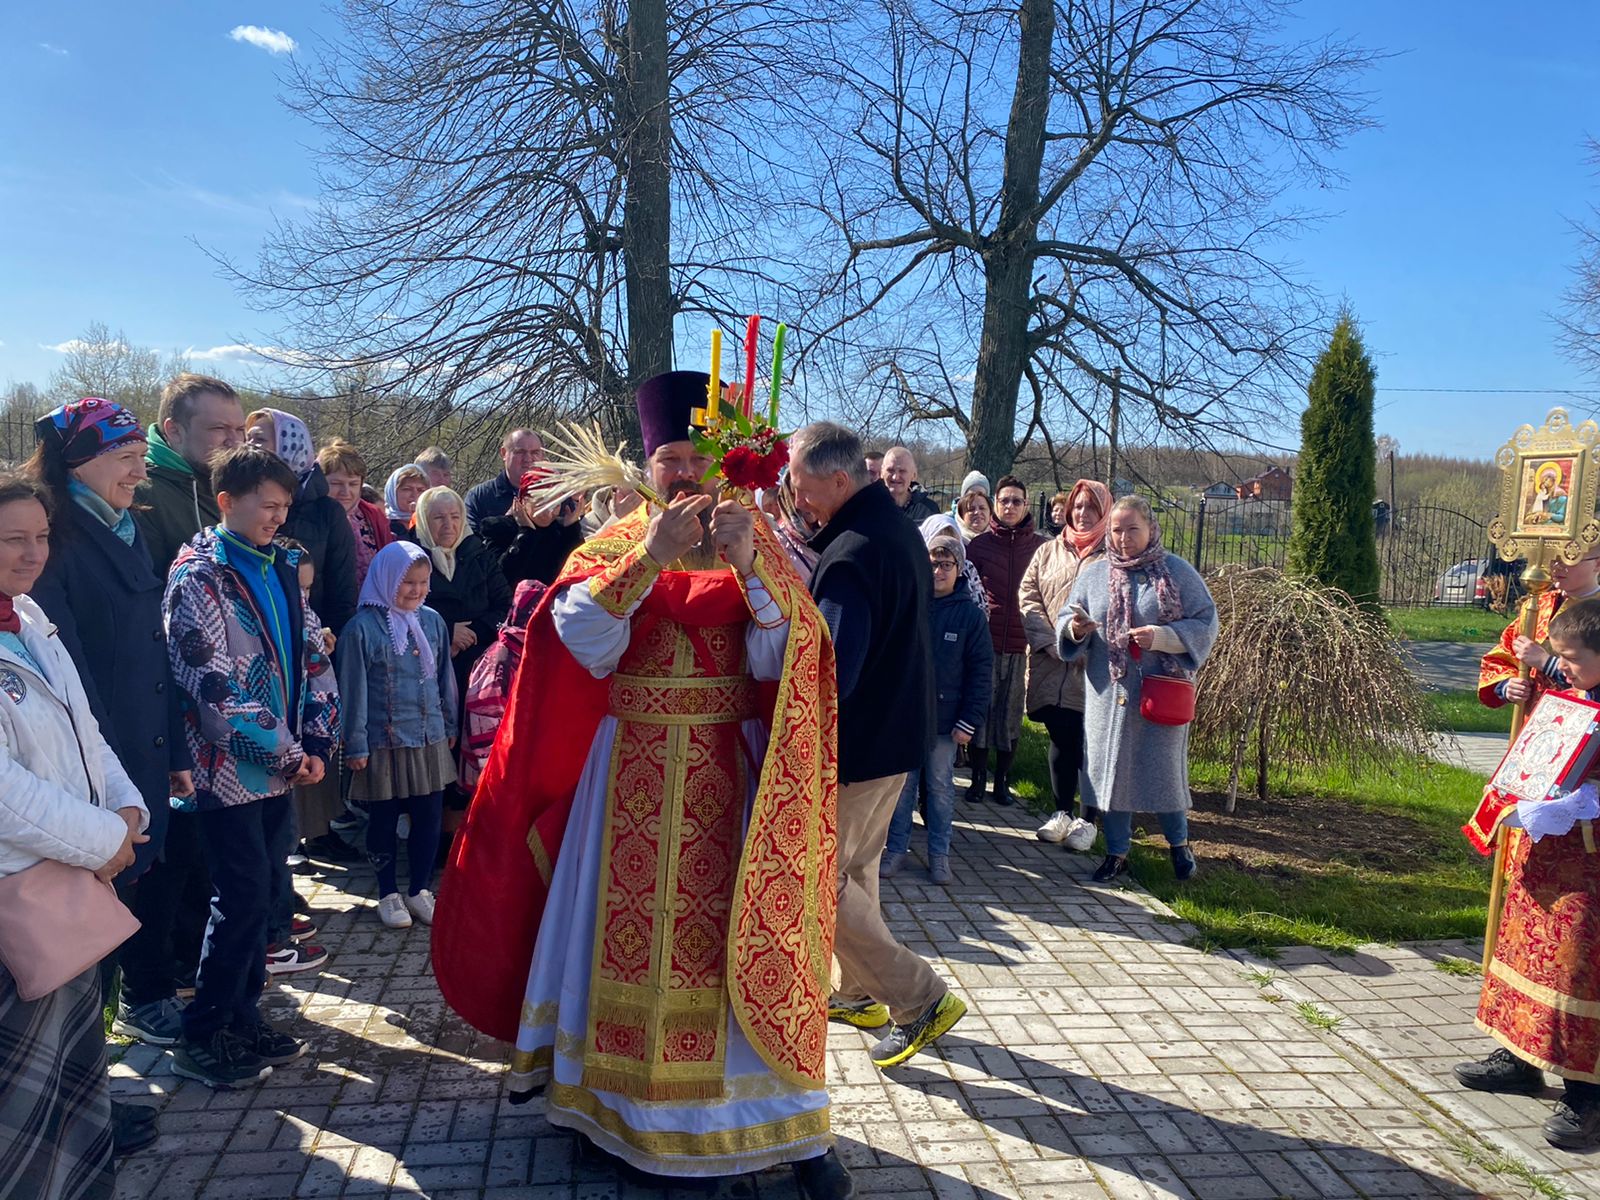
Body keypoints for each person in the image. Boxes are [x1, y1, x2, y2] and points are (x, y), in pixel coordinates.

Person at [434, 372, 848, 1196]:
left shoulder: (755, 539)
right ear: (647, 465)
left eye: (698, 459)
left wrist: (746, 567)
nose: (685, 474)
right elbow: (577, 638)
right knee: (615, 943)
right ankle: (617, 1110)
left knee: (736, 948)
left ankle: (772, 1121)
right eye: (670, 460)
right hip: (626, 774)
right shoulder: (618, 540)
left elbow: (792, 657)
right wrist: (650, 559)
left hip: (730, 777)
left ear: (724, 465)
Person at [789, 420, 967, 1070]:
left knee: (818, 881)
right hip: (898, 735)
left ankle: (919, 998)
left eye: (802, 487)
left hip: (859, 748)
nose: (796, 499)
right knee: (858, 869)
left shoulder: (851, 556)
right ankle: (858, 992)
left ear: (840, 480)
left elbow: (831, 673)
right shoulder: (893, 528)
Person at [163, 446, 340, 1088]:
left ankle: (243, 1015)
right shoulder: (198, 578)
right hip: (228, 772)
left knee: (262, 894)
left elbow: (314, 652)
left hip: (284, 766)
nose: (277, 516)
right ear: (225, 502)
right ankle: (205, 1030)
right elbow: (209, 687)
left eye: (284, 506)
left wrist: (317, 739)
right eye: (266, 505)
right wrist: (288, 752)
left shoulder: (282, 564)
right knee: (238, 897)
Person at [24, 399, 196, 1059]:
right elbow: (68, 675)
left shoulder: (124, 526)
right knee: (91, 915)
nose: (139, 474)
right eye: (126, 459)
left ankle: (126, 1024)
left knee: (141, 887)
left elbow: (154, 650)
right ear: (79, 463)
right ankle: (85, 1073)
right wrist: (109, 776)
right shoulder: (57, 543)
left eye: (141, 460)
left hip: (143, 749)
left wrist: (174, 748)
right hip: (96, 762)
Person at [0, 473, 152, 1196]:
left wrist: (127, 808)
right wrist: (102, 841)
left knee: (74, 1078)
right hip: (17, 900)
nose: (33, 554)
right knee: (21, 1106)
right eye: (12, 540)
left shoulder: (30, 619)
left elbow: (84, 728)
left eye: (40, 537)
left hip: (65, 884)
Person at [1455, 597, 1600, 1149]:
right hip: (1546, 849)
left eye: (1572, 661)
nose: (1561, 669)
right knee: (1524, 947)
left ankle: (1587, 1093)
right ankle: (1520, 1056)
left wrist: (1584, 800)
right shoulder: (1570, 677)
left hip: (1591, 864)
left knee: (1578, 968)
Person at [1061, 495, 1218, 883]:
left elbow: (1206, 622)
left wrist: (1163, 637)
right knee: (1112, 776)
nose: (1124, 538)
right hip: (1107, 695)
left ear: (1151, 529)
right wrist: (1075, 629)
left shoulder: (1176, 572)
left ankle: (1179, 846)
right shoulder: (1095, 574)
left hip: (1158, 694)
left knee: (1163, 774)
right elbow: (1069, 615)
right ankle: (1117, 854)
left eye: (1133, 529)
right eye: (1117, 530)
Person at [337, 541, 459, 929]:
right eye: (408, 583)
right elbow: (353, 689)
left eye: (423, 582)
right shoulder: (361, 629)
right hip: (383, 742)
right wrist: (356, 743)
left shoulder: (432, 622)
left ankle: (420, 889)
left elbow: (444, 677)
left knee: (429, 816)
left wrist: (449, 724)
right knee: (383, 819)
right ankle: (388, 892)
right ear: (387, 580)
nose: (417, 590)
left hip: (428, 736)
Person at [881, 529, 992, 886]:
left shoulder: (970, 616)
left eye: (946, 564)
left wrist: (969, 720)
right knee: (902, 789)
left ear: (959, 569)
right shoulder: (911, 606)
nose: (938, 571)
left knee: (941, 789)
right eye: (932, 564)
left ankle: (939, 854)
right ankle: (896, 849)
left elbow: (981, 672)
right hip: (908, 717)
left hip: (946, 722)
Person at [413, 486, 512, 842]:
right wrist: (446, 630)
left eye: (454, 516)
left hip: (477, 667)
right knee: (440, 745)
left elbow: (504, 605)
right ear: (424, 521)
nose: (448, 525)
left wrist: (473, 632)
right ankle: (434, 833)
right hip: (431, 667)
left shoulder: (478, 554)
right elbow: (404, 607)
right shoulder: (412, 556)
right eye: (438, 517)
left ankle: (467, 831)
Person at [1023, 479, 1111, 852]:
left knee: (1091, 745)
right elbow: (1029, 597)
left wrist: (1085, 647)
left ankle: (1088, 821)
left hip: (1093, 670)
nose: (1082, 513)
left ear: (1104, 511)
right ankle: (1061, 811)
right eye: (1078, 506)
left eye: (1091, 507)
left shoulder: (1113, 556)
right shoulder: (1048, 551)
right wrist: (1052, 641)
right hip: (1051, 663)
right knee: (1061, 737)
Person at [965, 475, 1048, 806]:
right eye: (1004, 501)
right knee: (981, 713)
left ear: (1026, 505)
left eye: (1016, 501)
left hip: (1020, 645)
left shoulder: (1041, 547)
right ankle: (977, 778)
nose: (1010, 507)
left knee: (1010, 717)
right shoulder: (979, 546)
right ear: (995, 505)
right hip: (985, 644)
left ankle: (1002, 781)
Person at [244, 408, 358, 635]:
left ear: (289, 445)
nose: (249, 446)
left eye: (259, 439)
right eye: (247, 438)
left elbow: (342, 593)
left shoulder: (327, 513)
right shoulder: (241, 502)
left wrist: (326, 642)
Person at [136, 374, 248, 578]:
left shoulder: (238, 485)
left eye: (240, 429)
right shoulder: (141, 496)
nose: (235, 441)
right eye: (219, 428)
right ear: (174, 431)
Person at [1479, 548, 1600, 710]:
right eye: (1553, 559)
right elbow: (1505, 652)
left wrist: (1546, 663)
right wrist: (1507, 685)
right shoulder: (1538, 604)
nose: (1556, 566)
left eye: (1569, 559)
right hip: (1534, 714)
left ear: (1597, 564)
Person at [460, 579, 545, 795]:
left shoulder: (526, 652)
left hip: (516, 765)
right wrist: (495, 774)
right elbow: (483, 715)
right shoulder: (501, 661)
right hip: (493, 776)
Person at [478, 470, 584, 587]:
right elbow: (500, 578)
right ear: (523, 501)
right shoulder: (499, 528)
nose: (549, 513)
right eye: (541, 505)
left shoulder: (560, 530)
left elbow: (576, 572)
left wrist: (571, 530)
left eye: (555, 505)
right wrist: (526, 533)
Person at [318, 439, 394, 592]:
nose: (345, 492)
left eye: (353, 484)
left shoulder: (373, 516)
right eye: (336, 484)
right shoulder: (312, 519)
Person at [464, 428, 545, 532]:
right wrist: (506, 522)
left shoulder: (556, 495)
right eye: (520, 452)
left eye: (535, 453)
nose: (528, 459)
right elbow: (472, 539)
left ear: (542, 456)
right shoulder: (479, 496)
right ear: (504, 453)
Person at [880, 447, 939, 522]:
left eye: (902, 471)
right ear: (881, 473)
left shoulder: (928, 511)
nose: (895, 477)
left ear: (914, 475)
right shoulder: (869, 507)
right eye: (890, 470)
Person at [384, 464, 429, 541]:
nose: (415, 495)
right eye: (407, 489)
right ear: (393, 493)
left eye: (420, 490)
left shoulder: (431, 525)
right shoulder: (384, 526)